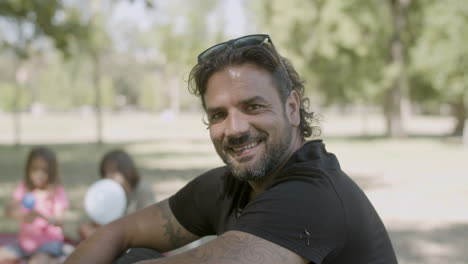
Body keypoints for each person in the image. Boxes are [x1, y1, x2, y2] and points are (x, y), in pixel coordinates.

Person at [65, 34, 398, 264]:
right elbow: (119, 231)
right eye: (218, 115)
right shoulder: (226, 187)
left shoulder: (312, 195)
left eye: (253, 107)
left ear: (292, 108)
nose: (235, 129)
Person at [0, 146, 70, 264]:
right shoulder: (24, 188)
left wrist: (41, 216)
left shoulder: (56, 192)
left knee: (37, 261)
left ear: (51, 172)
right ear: (28, 169)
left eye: (44, 170)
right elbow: (8, 211)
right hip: (24, 245)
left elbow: (59, 221)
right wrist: (22, 216)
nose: (39, 174)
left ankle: (57, 258)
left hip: (48, 244)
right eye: (34, 169)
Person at [78, 149, 156, 240]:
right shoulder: (106, 192)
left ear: (126, 171)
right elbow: (98, 221)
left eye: (112, 171)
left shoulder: (142, 189)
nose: (108, 176)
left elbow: (147, 223)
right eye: (105, 172)